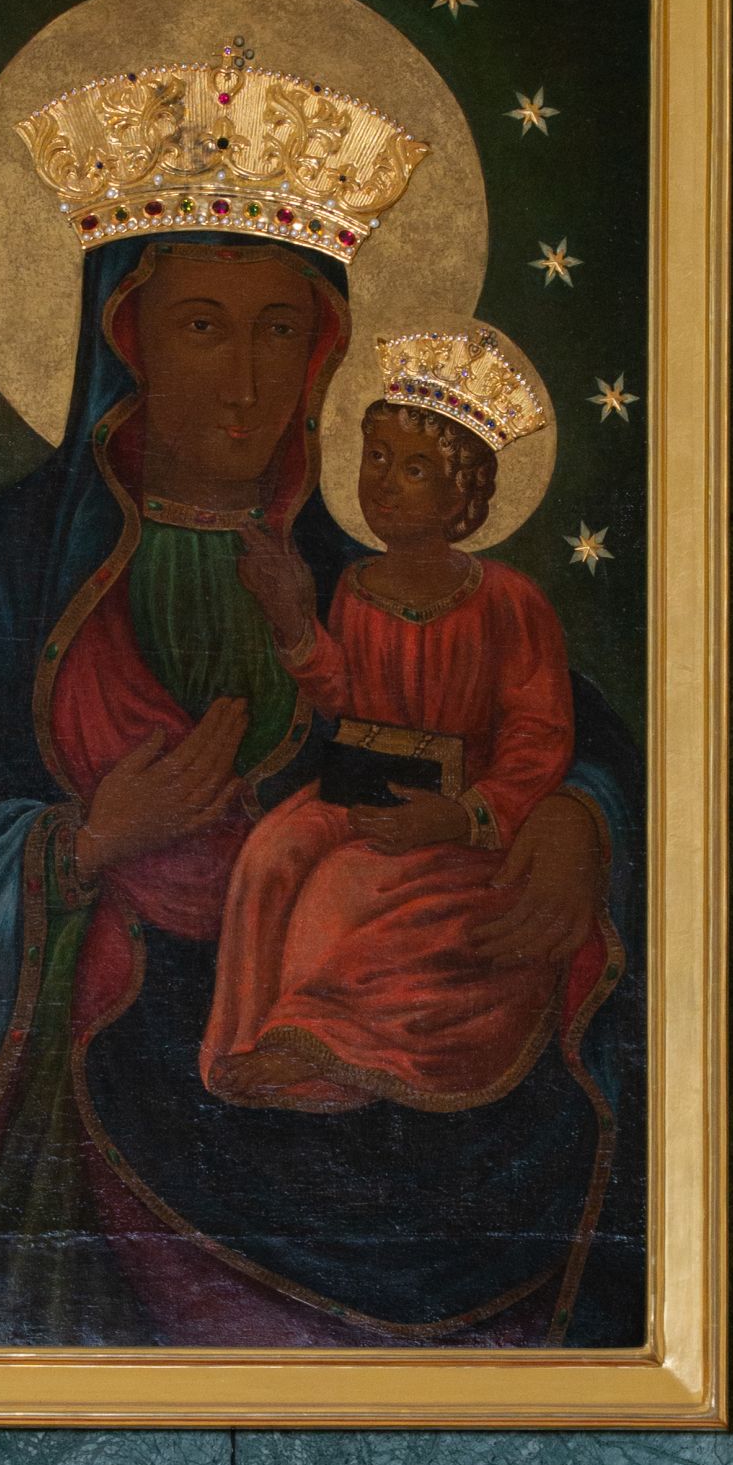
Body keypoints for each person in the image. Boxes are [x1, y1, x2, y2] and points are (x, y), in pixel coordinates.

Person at [0, 42, 643, 1352]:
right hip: (75, 1143)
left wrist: (579, 819)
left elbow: (565, 735)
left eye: (280, 330)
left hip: (389, 1093)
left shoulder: (380, 581)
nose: (246, 380)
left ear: (327, 352)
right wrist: (73, 846)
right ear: (124, 339)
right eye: (201, 326)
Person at [206, 336, 605, 1120]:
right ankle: (250, 1037)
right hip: (363, 786)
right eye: (377, 458)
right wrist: (297, 621)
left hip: (466, 812)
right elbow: (346, 696)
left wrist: (462, 816)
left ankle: (314, 1044)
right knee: (271, 854)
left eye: (415, 469)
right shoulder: (356, 587)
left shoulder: (508, 600)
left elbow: (538, 735)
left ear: (464, 498)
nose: (385, 483)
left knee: (352, 883)